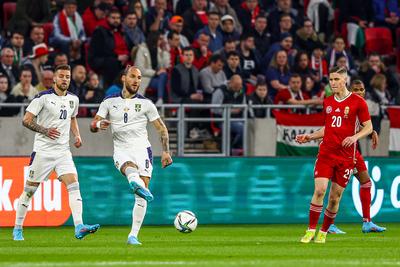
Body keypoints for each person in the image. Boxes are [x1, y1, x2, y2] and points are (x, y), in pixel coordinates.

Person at [13, 64, 100, 241]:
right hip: (43, 152)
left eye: (67, 76)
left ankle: (79, 226)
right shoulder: (42, 98)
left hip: (63, 152)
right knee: (29, 191)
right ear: (54, 78)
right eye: (61, 76)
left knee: (74, 184)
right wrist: (44, 130)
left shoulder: (73, 99)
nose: (64, 79)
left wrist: (77, 135)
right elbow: (26, 120)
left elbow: (72, 118)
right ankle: (17, 228)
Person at [90, 66, 173, 245]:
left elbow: (161, 128)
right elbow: (93, 125)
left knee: (141, 196)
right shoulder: (109, 101)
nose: (136, 81)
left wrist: (165, 151)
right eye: (133, 77)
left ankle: (133, 235)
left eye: (139, 78)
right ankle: (134, 182)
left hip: (142, 150)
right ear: (124, 78)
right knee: (129, 168)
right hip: (121, 148)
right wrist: (99, 125)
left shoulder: (146, 104)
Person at [296, 66, 373, 244]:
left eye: (336, 79)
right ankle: (310, 231)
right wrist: (310, 136)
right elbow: (328, 128)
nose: (333, 83)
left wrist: (354, 137)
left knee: (334, 198)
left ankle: (323, 232)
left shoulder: (358, 102)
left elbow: (368, 127)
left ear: (345, 80)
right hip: (326, 153)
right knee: (320, 190)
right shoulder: (328, 102)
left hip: (346, 157)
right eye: (331, 80)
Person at [328, 80, 386, 234]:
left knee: (366, 182)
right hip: (342, 152)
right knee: (336, 191)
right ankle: (329, 225)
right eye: (356, 89)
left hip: (354, 152)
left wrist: (370, 131)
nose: (359, 92)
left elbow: (354, 125)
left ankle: (367, 222)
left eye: (362, 89)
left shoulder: (359, 106)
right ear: (349, 90)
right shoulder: (345, 105)